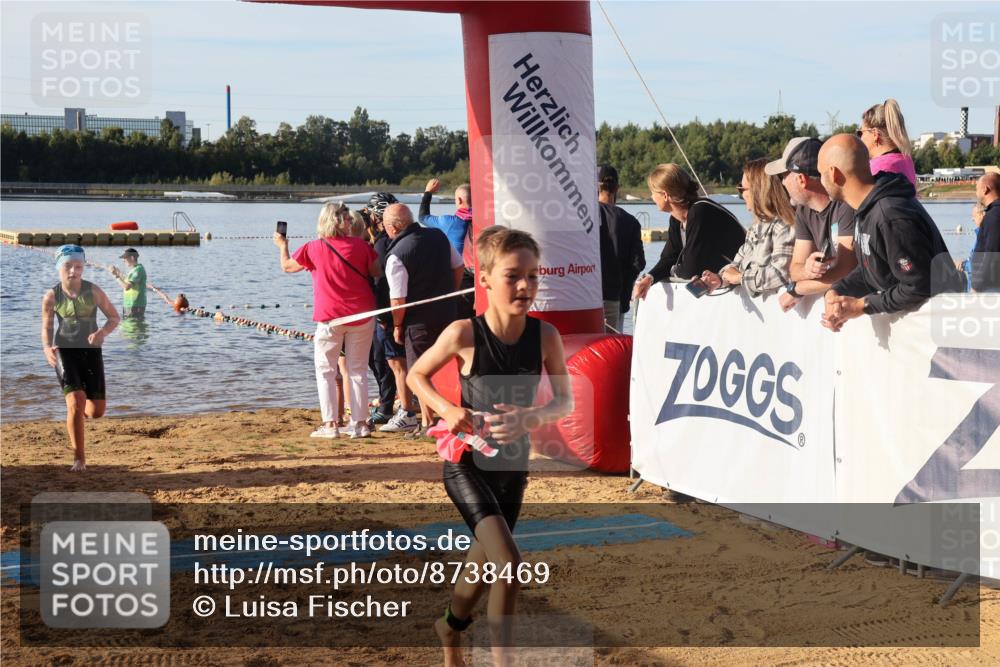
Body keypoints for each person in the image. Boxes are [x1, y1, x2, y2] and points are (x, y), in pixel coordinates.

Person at [406, 226, 572, 667]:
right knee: (510, 564)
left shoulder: (546, 336)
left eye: (532, 276)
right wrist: (447, 409)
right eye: (512, 276)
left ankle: (449, 627)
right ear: (484, 279)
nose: (524, 286)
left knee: (483, 567)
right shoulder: (463, 333)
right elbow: (416, 375)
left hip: (512, 468)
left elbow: (564, 402)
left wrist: (528, 418)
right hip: (467, 464)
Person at [818, 134, 962, 331]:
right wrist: (837, 290)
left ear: (834, 174)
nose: (820, 181)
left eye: (820, 174)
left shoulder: (890, 215)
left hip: (941, 331)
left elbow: (919, 285)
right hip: (917, 334)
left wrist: (862, 306)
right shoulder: (867, 208)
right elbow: (874, 269)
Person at [274, 202, 382, 439]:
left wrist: (283, 246)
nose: (350, 221)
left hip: (330, 316)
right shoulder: (361, 246)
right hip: (362, 313)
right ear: (340, 222)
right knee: (357, 369)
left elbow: (287, 266)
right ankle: (360, 424)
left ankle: (331, 424)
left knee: (326, 370)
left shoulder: (313, 247)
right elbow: (376, 271)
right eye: (347, 218)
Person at [383, 203, 465, 434]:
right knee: (449, 366)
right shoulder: (438, 235)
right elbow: (459, 267)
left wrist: (397, 325)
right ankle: (453, 412)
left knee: (419, 371)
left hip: (418, 322)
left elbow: (398, 300)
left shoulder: (396, 255)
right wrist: (450, 294)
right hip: (448, 313)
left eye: (386, 226)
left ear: (393, 228)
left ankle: (429, 422)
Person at [41, 244, 121, 472]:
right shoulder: (51, 296)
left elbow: (114, 318)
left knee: (96, 412)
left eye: (78, 266)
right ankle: (79, 459)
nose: (73, 271)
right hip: (64, 350)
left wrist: (102, 333)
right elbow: (46, 327)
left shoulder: (93, 291)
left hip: (91, 350)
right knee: (75, 402)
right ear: (59, 267)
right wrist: (46, 348)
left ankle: (79, 411)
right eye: (68, 266)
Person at [764, 137, 858, 311]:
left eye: (783, 176)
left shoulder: (845, 205)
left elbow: (846, 272)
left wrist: (797, 289)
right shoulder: (803, 210)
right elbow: (795, 270)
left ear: (801, 179)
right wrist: (807, 270)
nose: (782, 182)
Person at [632, 163, 745, 299]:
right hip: (726, 285)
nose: (652, 197)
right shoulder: (677, 219)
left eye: (653, 192)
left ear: (665, 195)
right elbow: (669, 258)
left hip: (741, 281)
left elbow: (690, 269)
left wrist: (674, 269)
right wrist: (649, 278)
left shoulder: (700, 211)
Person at [701, 158, 796, 297]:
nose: (741, 195)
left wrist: (740, 278)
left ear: (758, 191)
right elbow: (736, 264)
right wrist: (720, 279)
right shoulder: (756, 228)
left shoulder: (785, 226)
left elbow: (781, 273)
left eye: (742, 189)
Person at [365, 192, 408, 427]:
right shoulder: (403, 238)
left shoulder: (382, 243)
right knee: (394, 359)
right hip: (401, 306)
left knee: (382, 359)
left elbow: (381, 282)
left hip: (386, 310)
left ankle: (386, 407)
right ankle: (395, 402)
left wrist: (383, 316)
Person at [597, 164, 645, 331]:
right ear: (617, 187)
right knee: (611, 345)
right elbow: (638, 263)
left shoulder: (584, 217)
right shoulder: (630, 222)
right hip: (615, 298)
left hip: (585, 298)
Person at [421, 178, 476, 320]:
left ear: (459, 200)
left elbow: (423, 217)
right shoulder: (484, 219)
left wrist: (428, 193)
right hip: (483, 277)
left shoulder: (449, 222)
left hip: (460, 278)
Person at [857, 98, 917, 187]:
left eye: (860, 133)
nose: (860, 138)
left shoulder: (875, 168)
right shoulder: (907, 161)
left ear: (875, 134)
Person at [970, 172, 1000, 292]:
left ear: (985, 189)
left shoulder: (994, 216)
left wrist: (977, 286)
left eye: (976, 188)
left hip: (991, 287)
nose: (976, 193)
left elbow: (992, 253)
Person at [109, 248, 147, 319]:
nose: (123, 260)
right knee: (127, 325)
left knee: (133, 325)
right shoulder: (134, 270)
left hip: (135, 305)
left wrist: (116, 276)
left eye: (125, 258)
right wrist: (118, 272)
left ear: (132, 258)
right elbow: (126, 281)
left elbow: (126, 287)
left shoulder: (138, 270)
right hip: (129, 305)